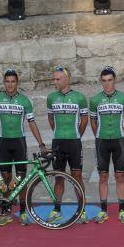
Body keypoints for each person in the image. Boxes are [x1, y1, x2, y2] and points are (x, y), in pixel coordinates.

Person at [0, 68, 47, 226]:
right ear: (4, 83)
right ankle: (6, 212)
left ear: (17, 83)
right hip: (3, 143)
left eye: (13, 81)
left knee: (21, 180)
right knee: (5, 180)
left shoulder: (25, 101)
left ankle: (24, 213)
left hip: (19, 143)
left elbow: (32, 123)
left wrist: (41, 144)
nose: (10, 85)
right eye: (7, 81)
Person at [89, 66, 124, 224]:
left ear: (115, 80)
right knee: (103, 176)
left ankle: (122, 210)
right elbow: (93, 121)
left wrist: (122, 134)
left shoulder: (123, 98)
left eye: (110, 80)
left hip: (118, 140)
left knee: (120, 175)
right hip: (102, 141)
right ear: (101, 82)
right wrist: (98, 135)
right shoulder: (94, 100)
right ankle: (103, 210)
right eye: (104, 81)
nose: (107, 84)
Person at [46, 66, 88, 224]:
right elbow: (51, 119)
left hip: (74, 142)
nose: (54, 82)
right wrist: (59, 133)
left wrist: (76, 135)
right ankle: (57, 209)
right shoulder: (51, 97)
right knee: (59, 177)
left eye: (57, 79)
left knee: (77, 176)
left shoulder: (80, 98)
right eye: (54, 79)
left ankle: (82, 208)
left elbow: (84, 120)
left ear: (67, 79)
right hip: (57, 142)